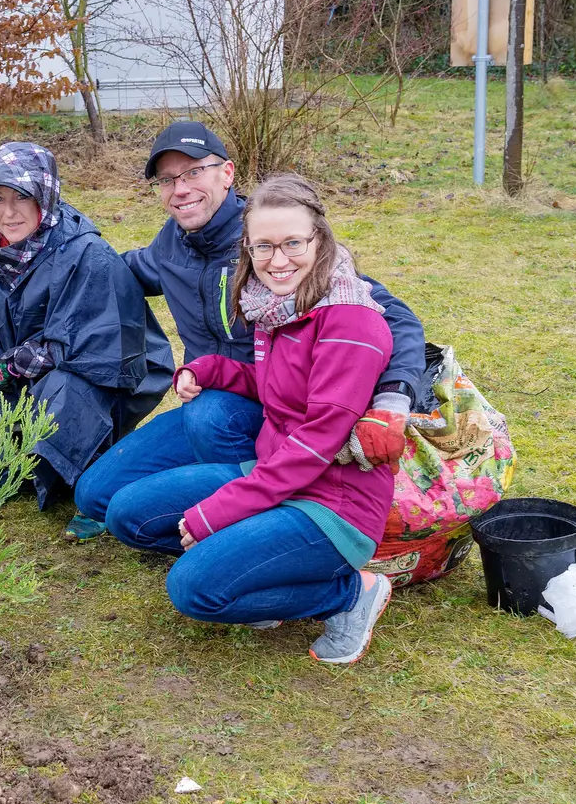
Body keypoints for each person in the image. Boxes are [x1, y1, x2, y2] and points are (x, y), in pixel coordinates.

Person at [71, 122, 427, 536]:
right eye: (167, 180)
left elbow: (392, 317)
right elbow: (120, 271)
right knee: (94, 495)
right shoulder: (169, 245)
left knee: (209, 416)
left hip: (286, 412)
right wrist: (60, 253)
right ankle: (207, 498)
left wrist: (394, 398)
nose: (180, 189)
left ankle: (271, 514)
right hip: (212, 399)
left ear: (227, 173)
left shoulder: (270, 239)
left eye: (193, 172)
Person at [99, 175, 397, 664]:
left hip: (332, 504)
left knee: (194, 590)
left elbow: (316, 442)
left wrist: (219, 512)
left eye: (292, 244)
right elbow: (277, 386)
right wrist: (210, 368)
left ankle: (349, 595)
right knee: (128, 513)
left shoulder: (349, 321)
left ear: (320, 240)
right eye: (263, 247)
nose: (278, 261)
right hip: (274, 475)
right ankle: (260, 569)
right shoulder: (280, 309)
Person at [0, 142, 174, 524]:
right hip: (13, 382)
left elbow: (106, 345)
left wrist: (26, 360)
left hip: (97, 379)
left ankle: (91, 475)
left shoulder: (87, 254)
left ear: (45, 197)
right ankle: (11, 461)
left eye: (22, 197)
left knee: (65, 386)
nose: (9, 212)